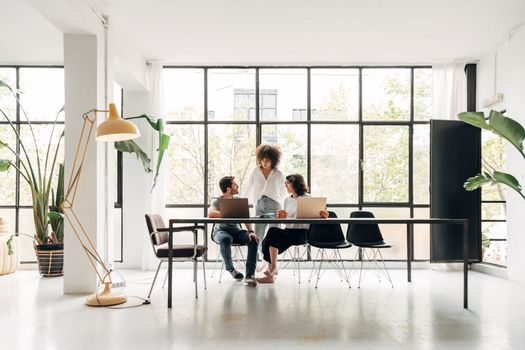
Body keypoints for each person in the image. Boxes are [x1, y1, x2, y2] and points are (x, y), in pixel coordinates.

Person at [257, 174, 328, 284]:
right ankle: (272, 271)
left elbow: (317, 216)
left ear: (295, 184)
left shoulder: (308, 199)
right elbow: (286, 220)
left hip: (302, 234)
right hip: (288, 231)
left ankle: (272, 271)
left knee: (270, 237)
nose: (285, 185)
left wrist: (324, 215)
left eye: (287, 183)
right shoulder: (287, 200)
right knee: (269, 237)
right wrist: (282, 217)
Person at [209, 176, 259, 287]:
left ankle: (250, 275)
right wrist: (228, 212)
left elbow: (245, 218)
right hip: (220, 232)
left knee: (253, 240)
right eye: (235, 185)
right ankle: (231, 269)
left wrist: (251, 231)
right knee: (226, 239)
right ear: (228, 189)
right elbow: (211, 214)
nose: (237, 186)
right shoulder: (217, 201)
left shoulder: (238, 201)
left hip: (237, 231)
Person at [243, 144, 287, 270]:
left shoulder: (278, 173)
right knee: (258, 235)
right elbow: (250, 187)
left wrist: (284, 209)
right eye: (262, 159)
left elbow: (282, 192)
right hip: (260, 205)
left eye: (267, 159)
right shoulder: (255, 171)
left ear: (273, 160)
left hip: (275, 205)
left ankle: (271, 266)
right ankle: (260, 260)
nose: (264, 162)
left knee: (274, 236)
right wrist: (242, 201)